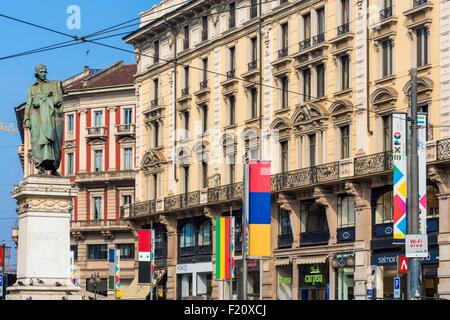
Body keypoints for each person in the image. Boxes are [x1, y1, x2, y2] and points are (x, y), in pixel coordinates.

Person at [24, 64, 64, 175]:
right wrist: (26, 117)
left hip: (51, 117)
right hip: (36, 117)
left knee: (55, 143)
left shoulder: (53, 85)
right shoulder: (32, 88)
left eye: (45, 72)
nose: (43, 74)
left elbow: (59, 100)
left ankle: (54, 167)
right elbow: (28, 103)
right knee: (37, 141)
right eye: (41, 72)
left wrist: (44, 101)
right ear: (36, 73)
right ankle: (40, 166)